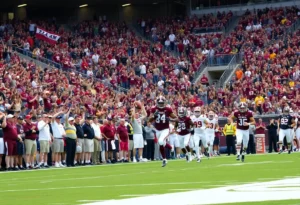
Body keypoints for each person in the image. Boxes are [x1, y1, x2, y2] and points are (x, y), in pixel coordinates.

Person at [148, 96, 177, 167]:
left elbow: (176, 118)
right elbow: (149, 120)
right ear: (157, 103)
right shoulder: (154, 109)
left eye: (162, 103)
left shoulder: (168, 109)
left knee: (161, 141)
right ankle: (170, 147)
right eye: (159, 103)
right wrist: (153, 116)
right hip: (157, 129)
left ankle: (164, 159)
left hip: (165, 129)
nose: (161, 104)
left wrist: (170, 120)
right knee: (161, 143)